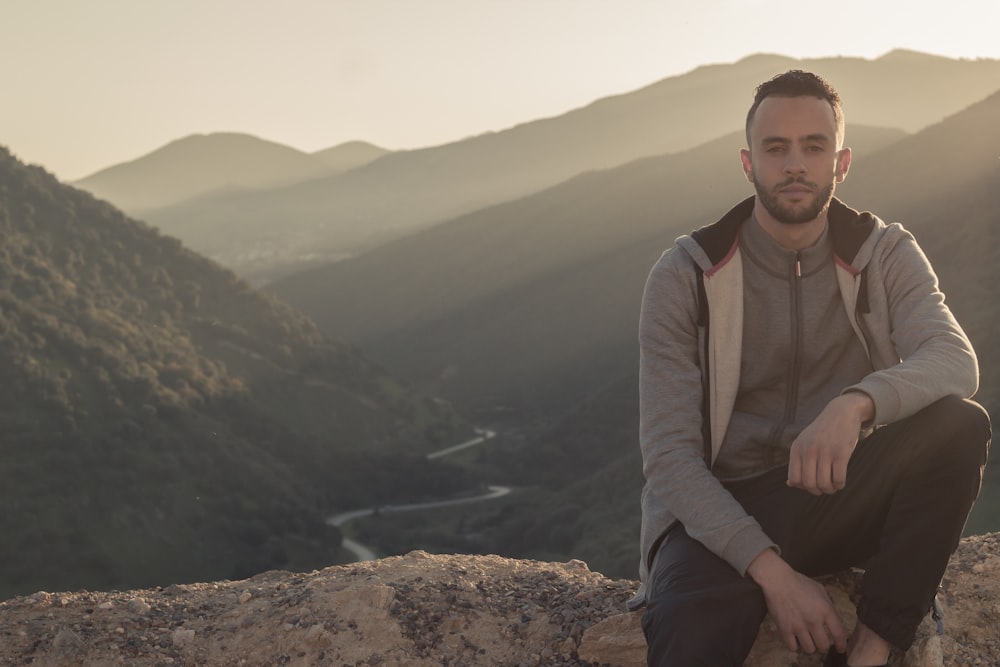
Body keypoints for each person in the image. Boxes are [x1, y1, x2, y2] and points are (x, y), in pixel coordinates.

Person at [632, 70, 991, 666]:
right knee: (687, 633)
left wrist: (855, 404)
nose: (794, 164)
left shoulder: (884, 251)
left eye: (813, 146)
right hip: (718, 509)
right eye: (776, 148)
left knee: (958, 424)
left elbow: (955, 360)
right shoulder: (687, 273)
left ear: (841, 162)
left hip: (833, 492)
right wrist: (775, 575)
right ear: (748, 164)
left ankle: (873, 649)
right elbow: (668, 457)